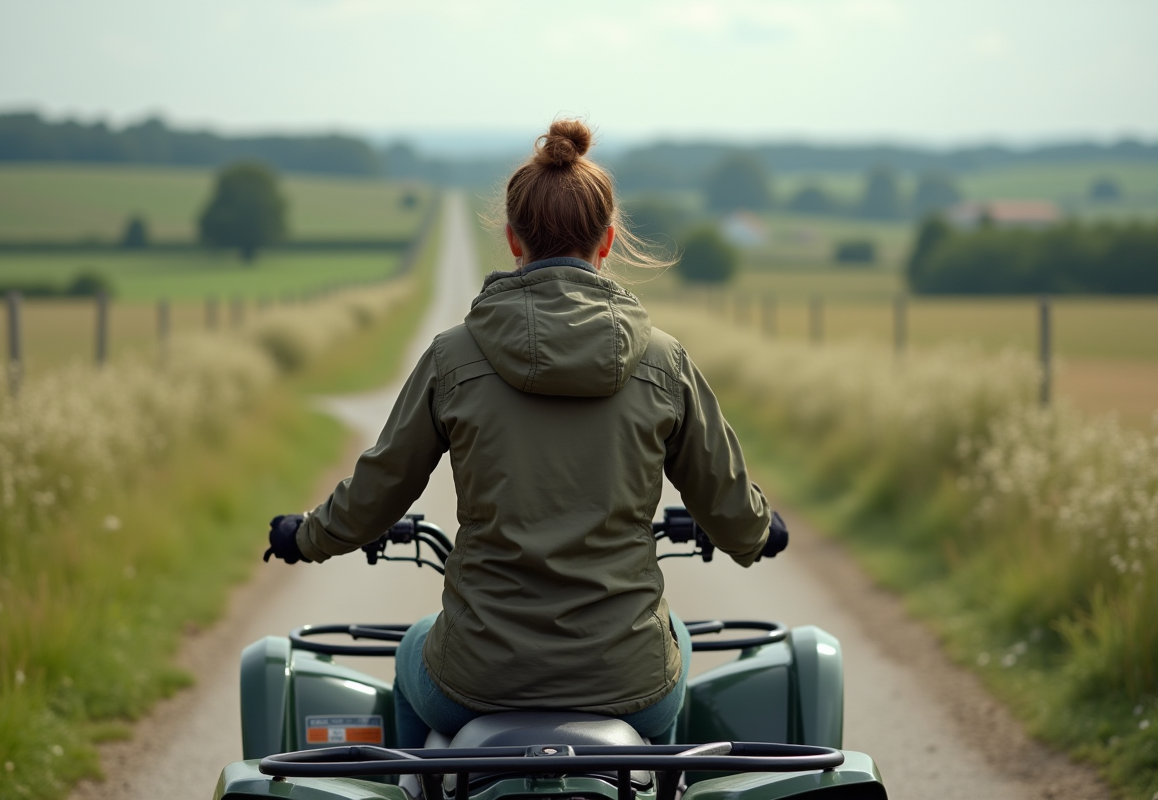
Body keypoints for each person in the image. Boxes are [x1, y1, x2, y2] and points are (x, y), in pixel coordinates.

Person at [263, 119, 788, 748]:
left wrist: (307, 536)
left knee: (411, 653)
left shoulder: (453, 357)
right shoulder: (664, 362)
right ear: (609, 242)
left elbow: (379, 490)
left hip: (477, 679)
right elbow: (727, 502)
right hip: (628, 683)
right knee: (671, 647)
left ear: (513, 240)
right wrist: (760, 532)